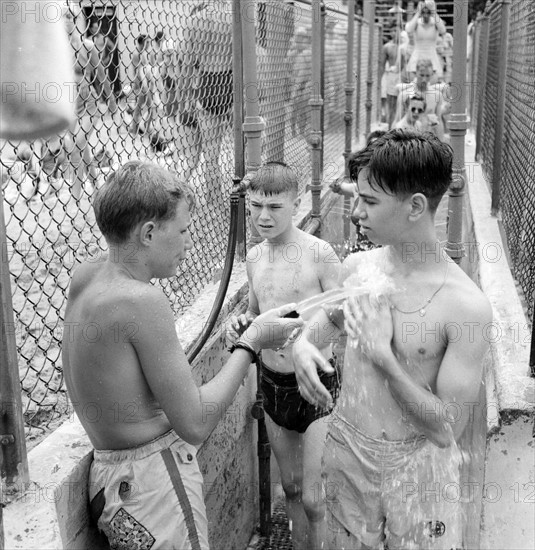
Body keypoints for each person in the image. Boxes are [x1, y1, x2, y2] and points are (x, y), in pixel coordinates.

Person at [62, 160, 303, 550]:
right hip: (154, 484)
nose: (190, 242)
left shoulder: (87, 275)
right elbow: (195, 422)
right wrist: (253, 342)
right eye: (185, 230)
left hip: (109, 482)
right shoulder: (142, 300)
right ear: (149, 233)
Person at [292, 128, 492, 550]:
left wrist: (382, 356)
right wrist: (303, 345)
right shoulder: (360, 267)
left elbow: (445, 429)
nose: (355, 213)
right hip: (348, 448)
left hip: (419, 469)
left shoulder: (465, 307)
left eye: (369, 201)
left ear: (416, 206)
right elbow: (328, 320)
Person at [227, 162, 341, 550]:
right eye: (256, 205)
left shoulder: (319, 253)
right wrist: (242, 321)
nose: (262, 216)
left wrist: (312, 338)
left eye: (275, 207)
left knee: (312, 497)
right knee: (290, 488)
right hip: (273, 383)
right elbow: (259, 312)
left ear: (295, 204)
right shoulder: (255, 258)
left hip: (315, 382)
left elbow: (342, 312)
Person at [62, 5, 118, 201]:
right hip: (68, 105)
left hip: (88, 103)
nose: (67, 20)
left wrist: (112, 105)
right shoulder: (57, 50)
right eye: (63, 17)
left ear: (76, 20)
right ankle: (96, 185)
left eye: (70, 16)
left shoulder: (87, 46)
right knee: (81, 147)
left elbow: (102, 77)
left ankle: (75, 194)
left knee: (77, 143)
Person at [394, 58, 448, 140]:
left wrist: (442, 144)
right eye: (421, 75)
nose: (424, 79)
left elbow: (439, 122)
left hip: (427, 141)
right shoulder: (404, 95)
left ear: (432, 75)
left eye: (427, 76)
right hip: (409, 140)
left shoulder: (437, 95)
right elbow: (397, 120)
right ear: (416, 74)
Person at [405, 0, 446, 82]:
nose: (426, 14)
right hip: (417, 55)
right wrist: (417, 13)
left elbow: (442, 30)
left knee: (432, 85)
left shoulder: (435, 22)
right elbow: (409, 29)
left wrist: (434, 12)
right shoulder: (417, 22)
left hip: (432, 55)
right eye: (424, 12)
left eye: (428, 12)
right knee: (414, 84)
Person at [380, 28, 404, 129]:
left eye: (398, 30)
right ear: (391, 32)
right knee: (392, 106)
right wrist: (380, 80)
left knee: (404, 105)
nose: (396, 33)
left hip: (404, 77)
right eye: (394, 30)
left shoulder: (405, 46)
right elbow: (381, 64)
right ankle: (390, 130)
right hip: (392, 78)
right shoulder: (387, 47)